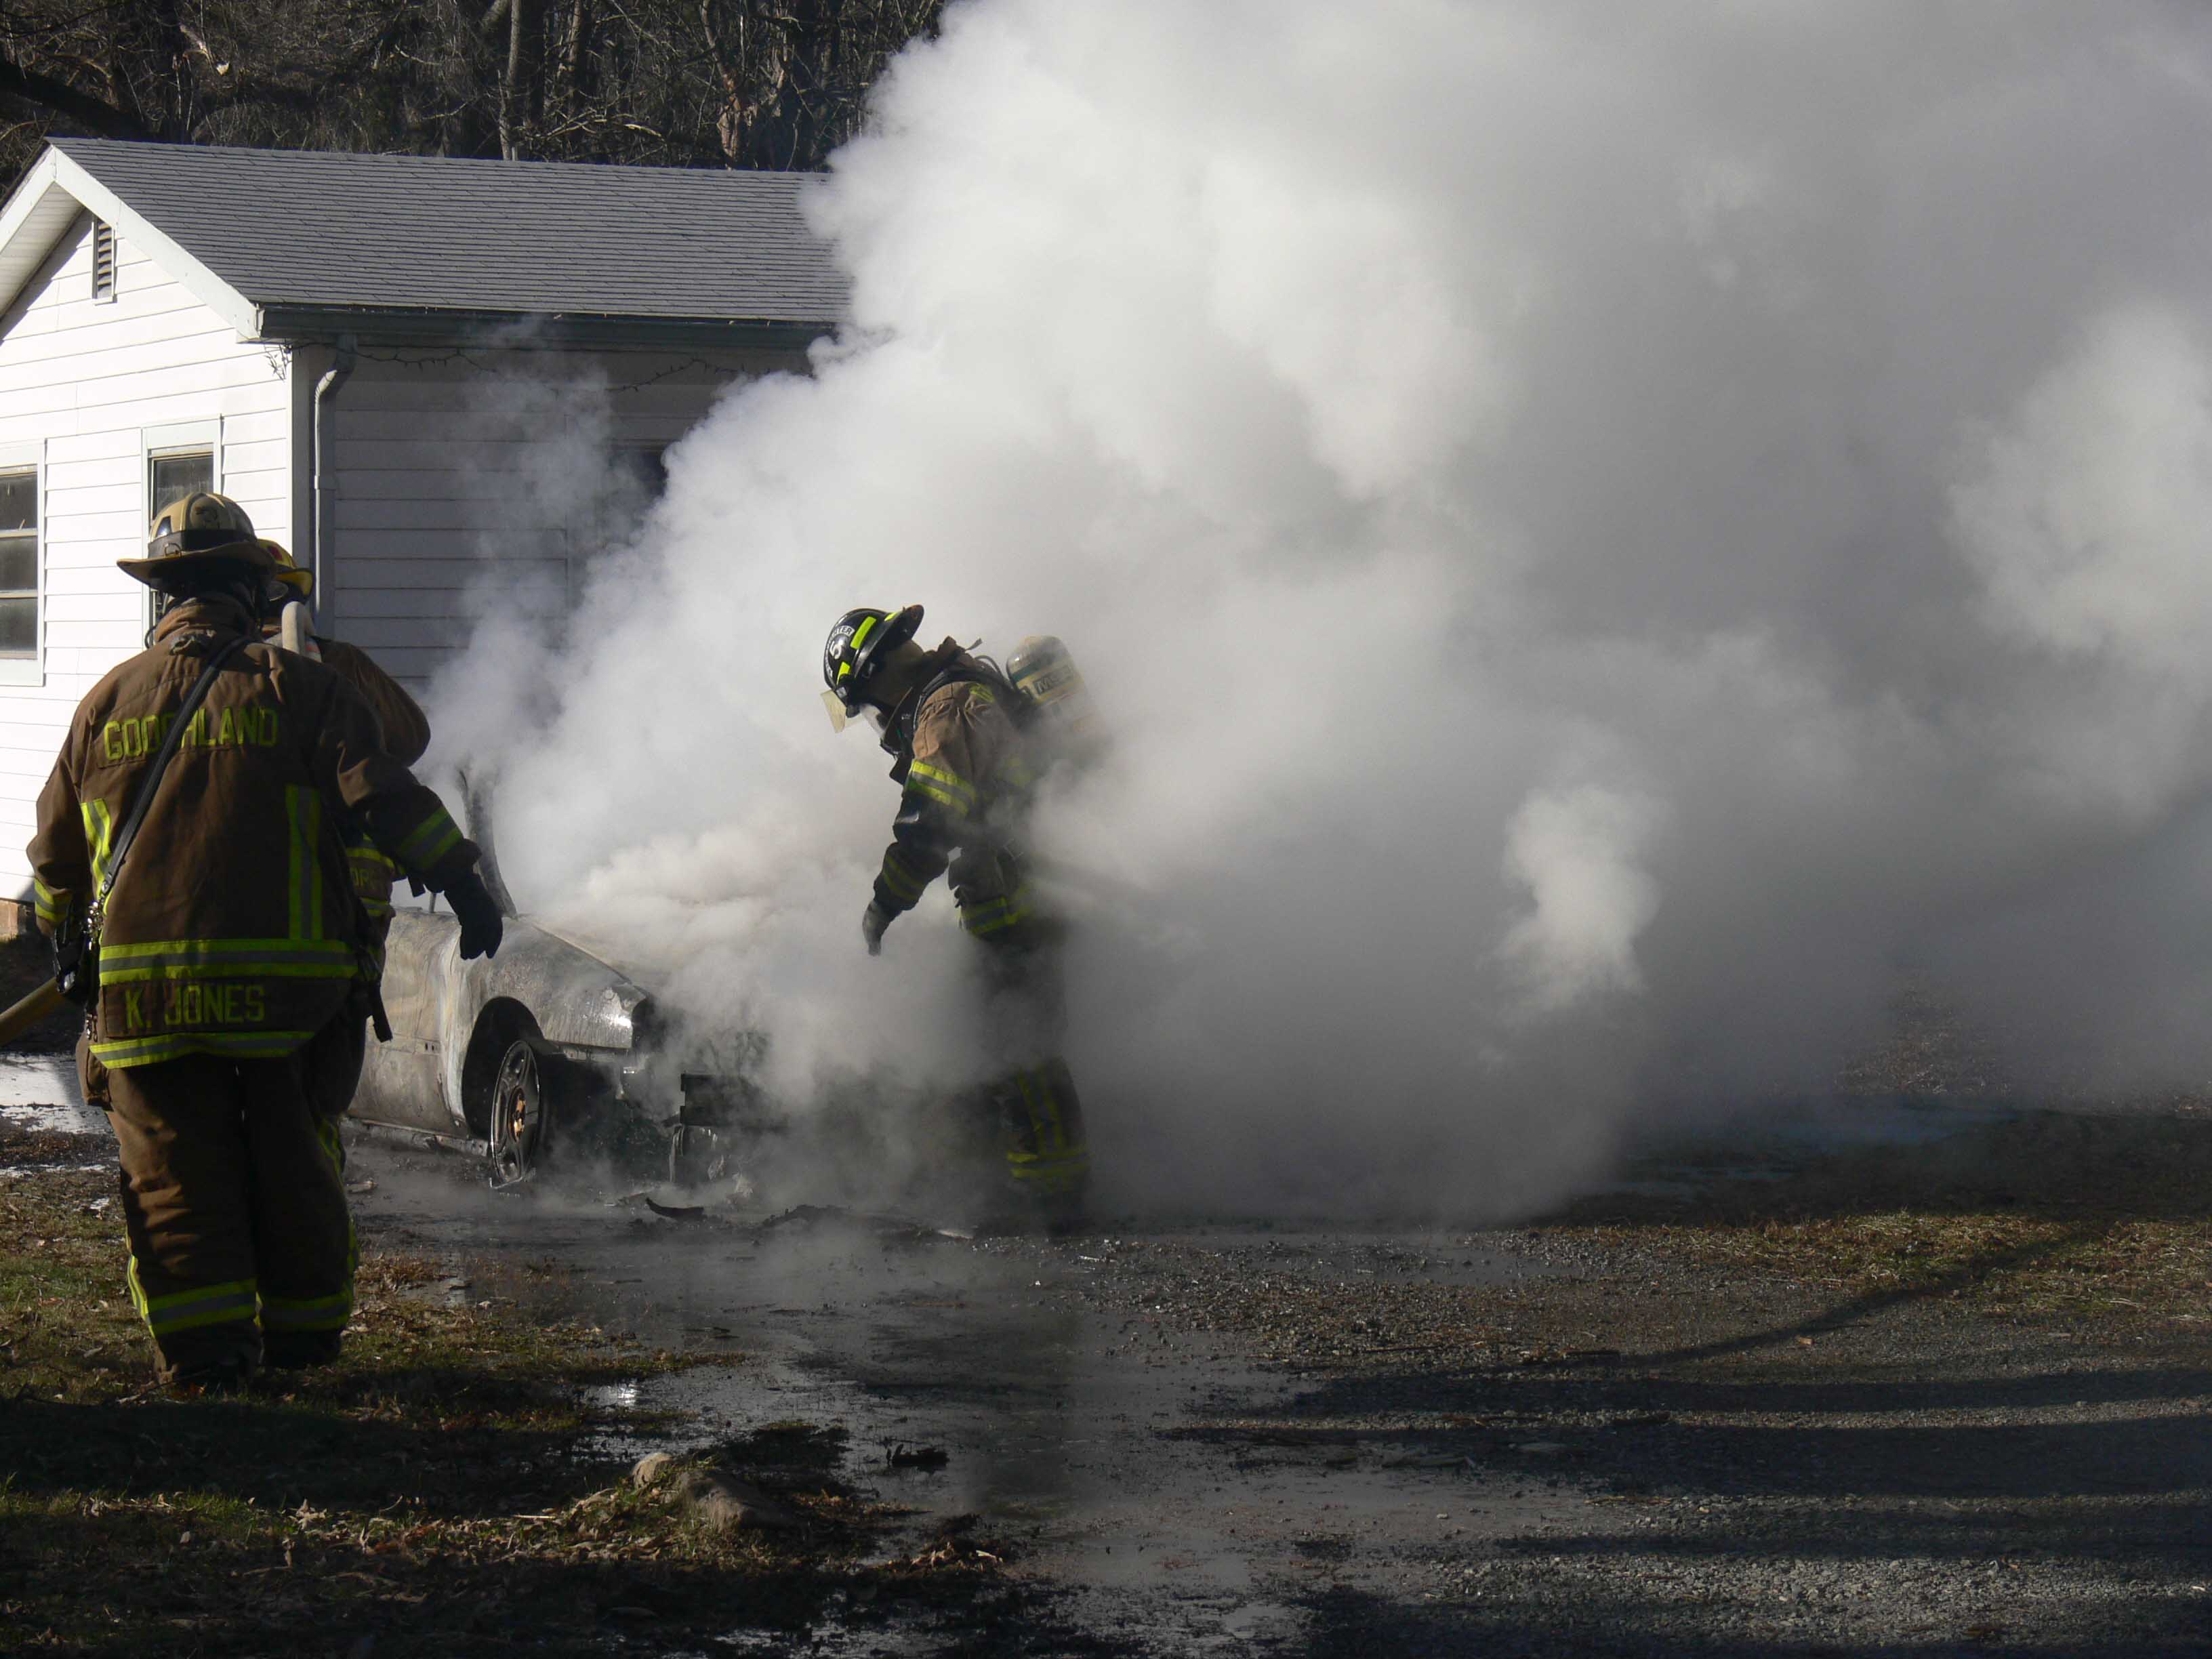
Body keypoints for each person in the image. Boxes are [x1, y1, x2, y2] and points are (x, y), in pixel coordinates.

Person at [27, 492, 506, 1391]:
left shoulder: (104, 703)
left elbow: (55, 852)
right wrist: (465, 884)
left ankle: (207, 1364)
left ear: (163, 597)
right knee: (293, 1171)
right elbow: (386, 796)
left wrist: (62, 935)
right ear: (251, 590)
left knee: (173, 1178)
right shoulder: (306, 689)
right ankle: (301, 1351)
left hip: (144, 1003)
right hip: (286, 1003)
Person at [821, 602, 1090, 1221]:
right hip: (1015, 896)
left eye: (864, 700)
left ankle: (1055, 1205)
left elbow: (928, 827)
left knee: (1019, 1046)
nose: (875, 717)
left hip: (1019, 901)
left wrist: (883, 904)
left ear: (878, 673)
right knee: (1009, 1044)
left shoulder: (945, 709)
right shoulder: (962, 690)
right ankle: (1035, 1191)